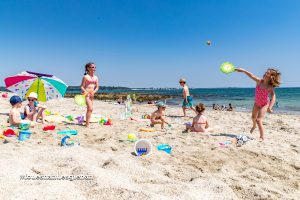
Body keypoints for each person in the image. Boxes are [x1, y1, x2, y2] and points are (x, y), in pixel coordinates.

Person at [235, 68, 281, 140]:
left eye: (268, 73)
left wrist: (270, 107)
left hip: (265, 104)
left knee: (259, 120)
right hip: (256, 103)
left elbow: (273, 97)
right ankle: (254, 126)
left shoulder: (270, 87)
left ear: (271, 77)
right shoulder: (259, 81)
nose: (265, 74)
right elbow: (251, 75)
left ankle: (262, 137)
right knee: (253, 118)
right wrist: (243, 70)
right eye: (266, 72)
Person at [80, 62, 99, 128]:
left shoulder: (96, 77)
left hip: (92, 95)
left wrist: (93, 92)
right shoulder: (85, 77)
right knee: (90, 108)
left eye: (95, 67)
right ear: (88, 68)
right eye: (93, 67)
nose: (94, 69)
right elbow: (81, 86)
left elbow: (97, 87)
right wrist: (86, 92)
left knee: (90, 109)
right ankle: (87, 124)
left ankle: (87, 121)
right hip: (86, 94)